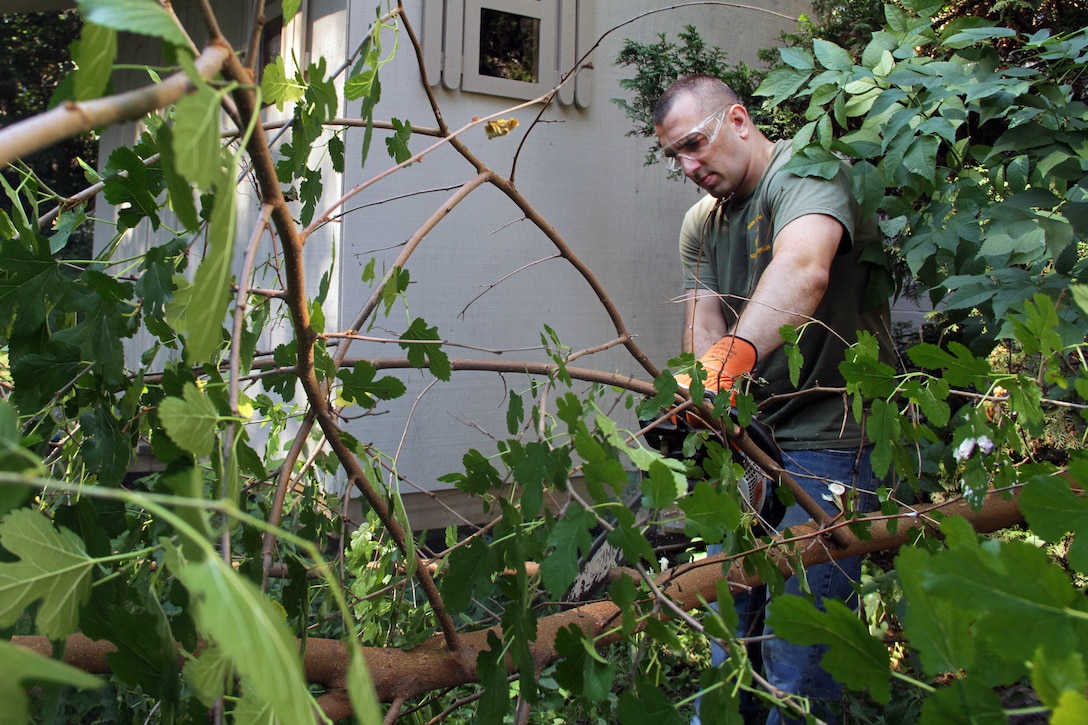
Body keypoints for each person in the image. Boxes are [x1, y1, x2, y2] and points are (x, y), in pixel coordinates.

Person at [651, 74, 896, 723]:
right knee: (728, 637)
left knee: (800, 652)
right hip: (750, 445)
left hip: (831, 436)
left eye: (695, 145)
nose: (689, 166)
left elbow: (804, 267)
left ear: (737, 120)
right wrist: (701, 392)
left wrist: (733, 357)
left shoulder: (810, 172)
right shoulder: (702, 223)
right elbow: (703, 319)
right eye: (676, 155)